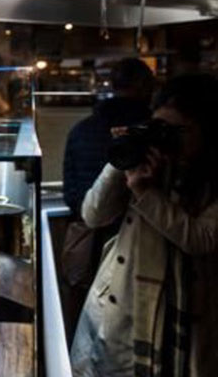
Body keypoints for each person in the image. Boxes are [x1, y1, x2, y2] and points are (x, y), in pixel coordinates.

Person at [69, 74, 218, 377]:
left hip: (181, 319)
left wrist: (146, 194)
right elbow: (93, 215)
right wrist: (121, 159)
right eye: (159, 127)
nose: (166, 139)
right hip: (119, 312)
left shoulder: (210, 181)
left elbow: (201, 238)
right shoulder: (147, 161)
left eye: (176, 131)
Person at [60, 58, 155, 327]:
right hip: (142, 244)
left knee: (85, 322)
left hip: (88, 245)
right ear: (144, 86)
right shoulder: (152, 132)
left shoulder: (81, 129)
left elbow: (72, 193)